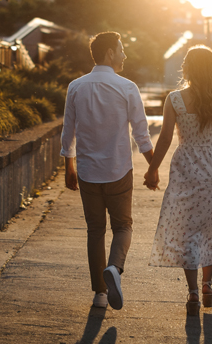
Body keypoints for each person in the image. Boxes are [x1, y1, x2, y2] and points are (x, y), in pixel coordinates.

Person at [61, 31, 153, 310]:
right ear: (110, 53)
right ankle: (114, 267)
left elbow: (69, 130)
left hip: (88, 170)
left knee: (95, 230)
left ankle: (100, 294)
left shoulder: (76, 86)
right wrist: (154, 167)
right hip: (119, 169)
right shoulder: (127, 87)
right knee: (123, 225)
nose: (124, 55)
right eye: (121, 49)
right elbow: (141, 132)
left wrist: (69, 165)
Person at [144, 45, 212, 316]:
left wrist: (153, 169)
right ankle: (208, 285)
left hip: (185, 167)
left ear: (187, 68)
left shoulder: (175, 99)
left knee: (187, 231)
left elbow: (164, 138)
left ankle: (193, 292)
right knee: (211, 228)